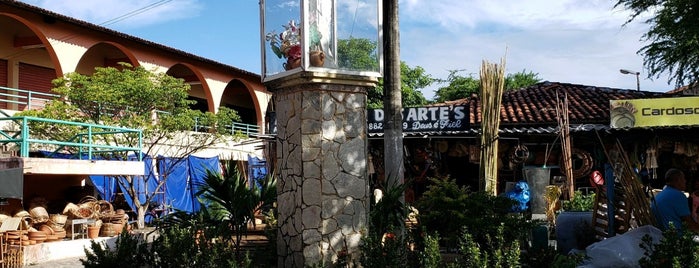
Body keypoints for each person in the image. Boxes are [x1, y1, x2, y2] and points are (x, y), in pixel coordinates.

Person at [651, 168, 699, 233]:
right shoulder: (678, 195)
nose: (685, 181)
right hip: (674, 238)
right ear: (678, 180)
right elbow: (690, 223)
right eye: (684, 178)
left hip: (661, 236)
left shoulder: (659, 196)